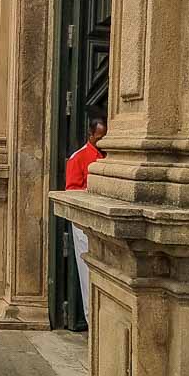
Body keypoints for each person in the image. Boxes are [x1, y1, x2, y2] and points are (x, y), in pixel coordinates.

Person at [65, 114, 108, 321]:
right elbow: (72, 189)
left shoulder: (109, 156)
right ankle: (91, 318)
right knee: (86, 272)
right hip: (84, 223)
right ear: (90, 135)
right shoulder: (78, 157)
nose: (102, 142)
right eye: (99, 137)